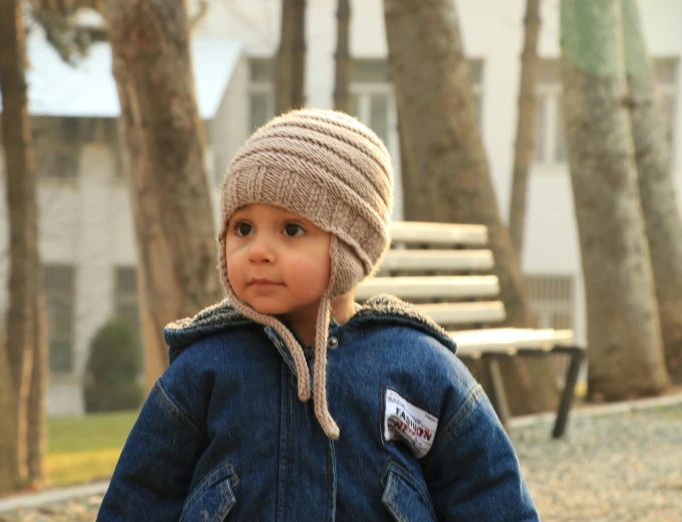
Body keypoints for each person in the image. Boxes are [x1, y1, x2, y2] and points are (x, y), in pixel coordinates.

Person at [97, 108, 540, 521]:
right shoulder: (206, 367)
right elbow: (140, 496)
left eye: (291, 229)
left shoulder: (420, 367)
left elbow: (489, 493)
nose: (258, 252)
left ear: (352, 244)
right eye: (242, 228)